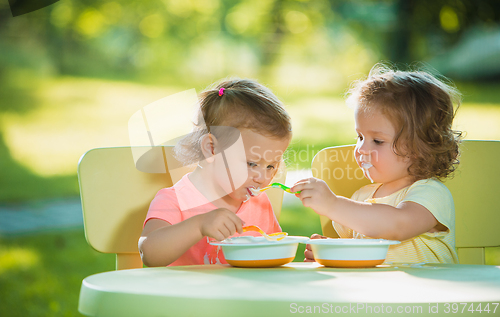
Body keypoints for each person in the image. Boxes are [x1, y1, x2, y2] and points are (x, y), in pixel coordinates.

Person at [292, 64, 462, 264]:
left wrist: (333, 204)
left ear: (418, 148)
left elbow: (398, 226)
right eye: (360, 136)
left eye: (377, 141)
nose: (361, 149)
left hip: (433, 293)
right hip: (375, 294)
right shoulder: (361, 198)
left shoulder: (431, 193)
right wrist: (332, 251)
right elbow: (359, 254)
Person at [139, 78, 292, 267]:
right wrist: (198, 225)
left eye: (271, 166)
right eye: (252, 163)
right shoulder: (175, 200)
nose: (264, 178)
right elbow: (149, 253)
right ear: (212, 149)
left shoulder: (259, 204)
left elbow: (273, 258)